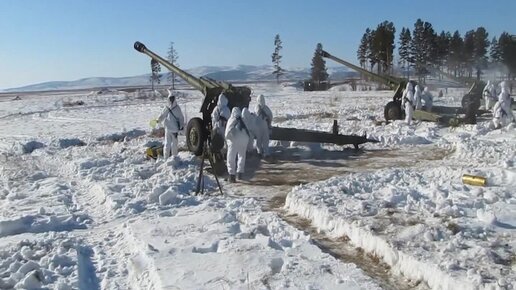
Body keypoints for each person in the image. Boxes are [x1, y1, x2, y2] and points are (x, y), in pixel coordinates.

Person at [156, 90, 185, 159]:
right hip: (172, 130)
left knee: (168, 144)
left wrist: (158, 120)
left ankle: (167, 158)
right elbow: (181, 118)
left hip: (169, 129)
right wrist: (181, 126)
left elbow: (162, 116)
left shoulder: (167, 108)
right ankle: (173, 158)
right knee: (173, 144)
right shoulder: (177, 108)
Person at [225, 107, 250, 182]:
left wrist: (228, 141)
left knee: (231, 157)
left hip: (234, 140)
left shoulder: (231, 119)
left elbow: (227, 132)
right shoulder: (243, 119)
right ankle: (240, 173)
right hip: (244, 139)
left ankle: (232, 175)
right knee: (242, 156)